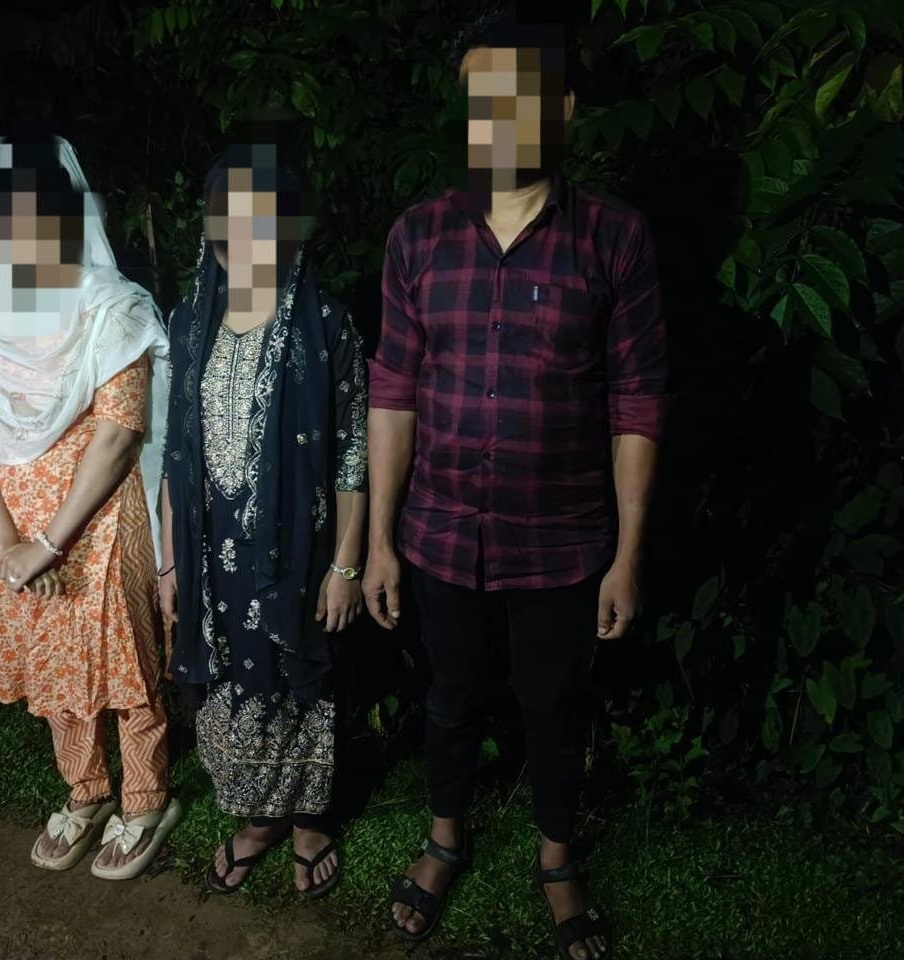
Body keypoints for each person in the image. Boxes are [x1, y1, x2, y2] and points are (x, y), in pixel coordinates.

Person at [365, 7, 669, 959]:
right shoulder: (418, 237)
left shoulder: (614, 238)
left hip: (565, 536)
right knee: (449, 695)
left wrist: (627, 555)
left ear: (561, 108)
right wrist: (378, 540)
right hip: (440, 531)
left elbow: (637, 400)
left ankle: (557, 857)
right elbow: (392, 392)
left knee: (555, 702)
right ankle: (444, 839)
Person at [0, 133, 180, 880]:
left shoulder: (112, 306)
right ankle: (87, 791)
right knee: (54, 669)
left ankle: (147, 800)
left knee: (125, 664)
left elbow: (119, 434)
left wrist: (48, 541)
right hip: (13, 529)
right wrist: (10, 541)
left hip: (100, 519)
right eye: (2, 214)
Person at [158, 138, 369, 898]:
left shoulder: (327, 325)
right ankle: (258, 818)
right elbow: (175, 452)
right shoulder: (188, 322)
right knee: (230, 681)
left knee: (298, 679)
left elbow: (353, 454)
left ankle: (308, 820)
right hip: (210, 554)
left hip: (300, 552)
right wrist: (171, 561)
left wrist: (346, 565)